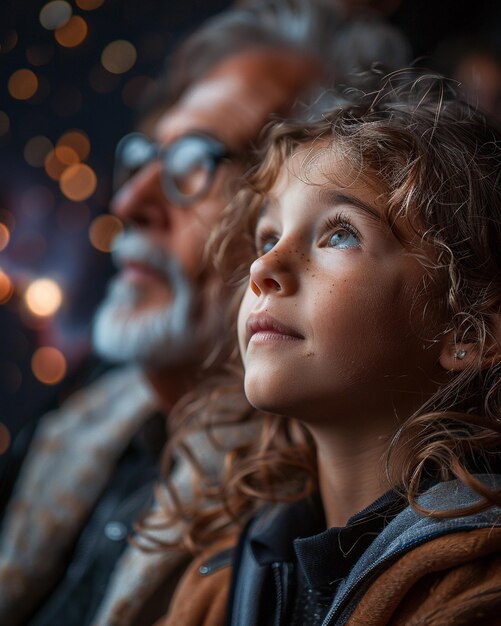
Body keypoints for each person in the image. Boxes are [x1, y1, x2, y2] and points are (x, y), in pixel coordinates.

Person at [0, 2, 411, 625]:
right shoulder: (78, 420)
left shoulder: (302, 535)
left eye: (196, 161)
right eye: (145, 159)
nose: (131, 200)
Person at [155, 70, 501, 626]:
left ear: (466, 332)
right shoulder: (219, 579)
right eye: (268, 237)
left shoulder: (477, 590)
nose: (264, 268)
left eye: (340, 233)